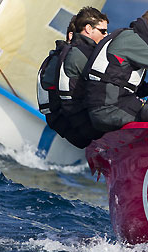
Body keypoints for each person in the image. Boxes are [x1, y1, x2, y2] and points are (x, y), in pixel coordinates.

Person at [82, 9, 148, 133]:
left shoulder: (124, 35)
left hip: (101, 109)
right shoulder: (134, 40)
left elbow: (135, 90)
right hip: (110, 110)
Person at [37, 7, 109, 148]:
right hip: (75, 124)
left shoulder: (56, 55)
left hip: (61, 120)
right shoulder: (78, 55)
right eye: (103, 31)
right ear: (88, 29)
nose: (106, 35)